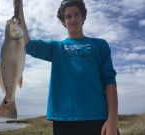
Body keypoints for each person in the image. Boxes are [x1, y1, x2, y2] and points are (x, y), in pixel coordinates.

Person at [19, 0, 119, 134]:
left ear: (83, 17)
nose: (73, 19)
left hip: (98, 118)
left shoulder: (100, 45)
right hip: (63, 120)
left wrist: (112, 119)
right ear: (63, 22)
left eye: (77, 14)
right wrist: (18, 6)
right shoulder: (56, 48)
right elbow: (27, 44)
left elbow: (110, 82)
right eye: (68, 16)